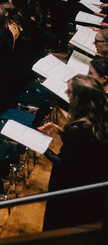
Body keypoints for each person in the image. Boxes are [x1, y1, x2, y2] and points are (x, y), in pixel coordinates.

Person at [38, 75, 108, 230]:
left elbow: (64, 164)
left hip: (69, 185)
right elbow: (83, 148)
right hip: (90, 182)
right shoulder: (97, 116)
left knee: (59, 223)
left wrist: (41, 147)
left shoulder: (77, 128)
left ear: (78, 98)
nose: (65, 92)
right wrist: (60, 131)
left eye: (69, 91)